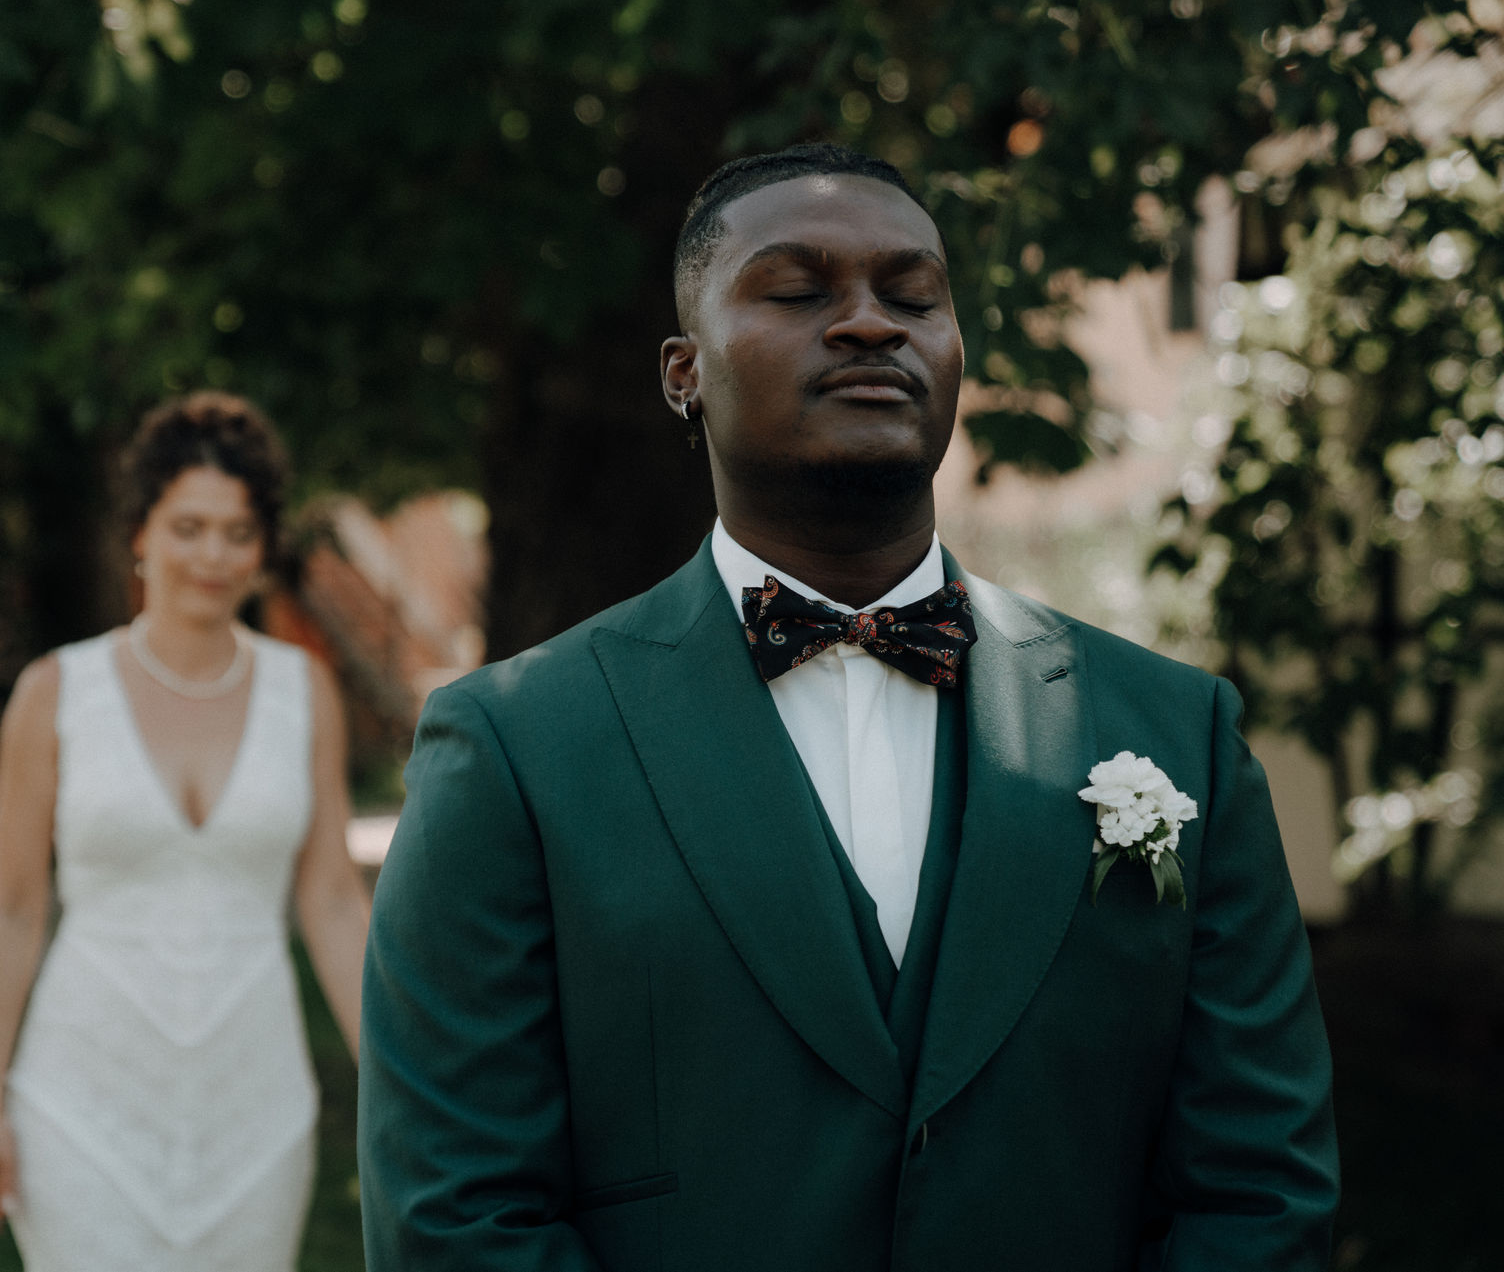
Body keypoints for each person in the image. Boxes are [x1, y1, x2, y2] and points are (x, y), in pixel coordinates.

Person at [358, 145, 1338, 1271]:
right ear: (683, 371)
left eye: (913, 295)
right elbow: (457, 1217)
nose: (872, 323)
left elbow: (1261, 1185)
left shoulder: (1179, 735)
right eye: (798, 290)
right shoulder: (517, 747)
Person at [0, 392, 372, 1270]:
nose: (212, 555)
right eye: (188, 526)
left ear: (263, 550)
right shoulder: (55, 693)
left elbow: (332, 900)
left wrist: (397, 1077)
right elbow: (13, 909)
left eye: (238, 532)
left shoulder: (306, 692)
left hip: (254, 1102)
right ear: (140, 533)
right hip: (81, 1102)